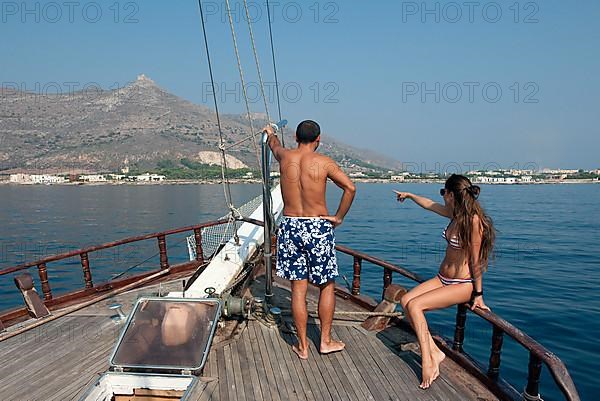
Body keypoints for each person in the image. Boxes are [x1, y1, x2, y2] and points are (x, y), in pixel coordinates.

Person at [264, 120, 356, 360]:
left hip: (292, 225)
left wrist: (271, 133)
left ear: (295, 137)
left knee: (298, 289)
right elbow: (350, 188)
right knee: (326, 285)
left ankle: (303, 346)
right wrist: (338, 217)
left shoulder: (285, 157)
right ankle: (325, 341)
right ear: (318, 139)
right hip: (318, 226)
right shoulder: (324, 163)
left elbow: (273, 146)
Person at [394, 174, 495, 389]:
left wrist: (478, 295)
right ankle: (435, 352)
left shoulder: (473, 221)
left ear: (451, 194)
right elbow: (429, 205)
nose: (441, 197)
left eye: (443, 192)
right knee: (405, 302)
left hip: (462, 284)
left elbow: (476, 262)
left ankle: (428, 361)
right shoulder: (455, 213)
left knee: (415, 306)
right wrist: (410, 195)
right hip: (443, 278)